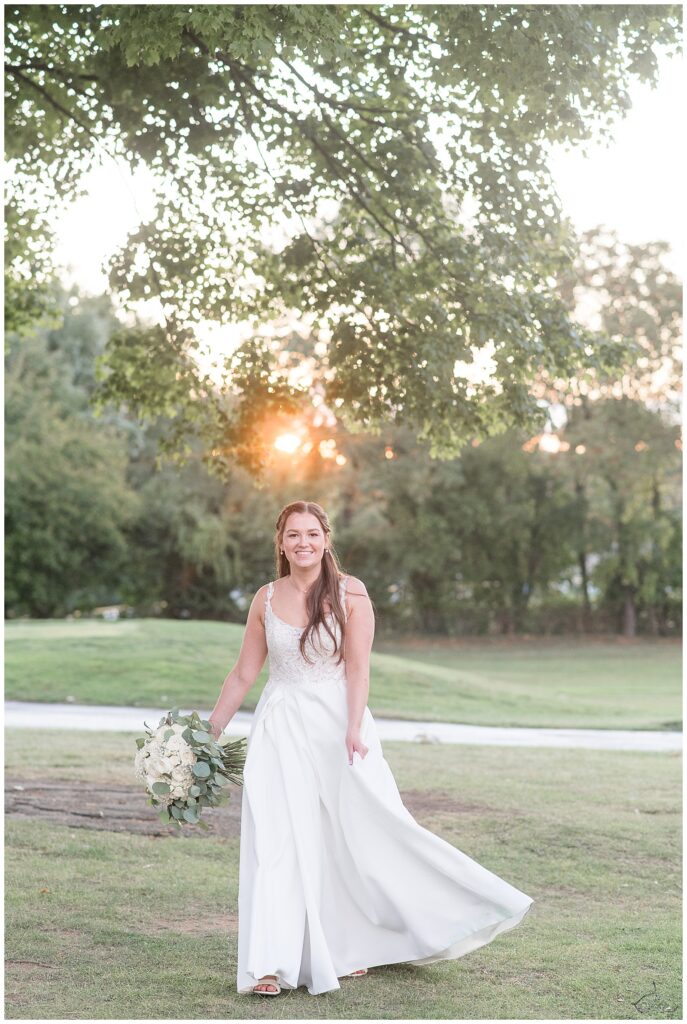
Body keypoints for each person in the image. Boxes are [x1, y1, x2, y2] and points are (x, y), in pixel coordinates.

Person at [209, 500, 533, 997]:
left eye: (312, 534)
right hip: (279, 728)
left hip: (339, 726)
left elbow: (359, 669)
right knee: (275, 839)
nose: (303, 543)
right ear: (280, 542)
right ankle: (269, 964)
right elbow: (244, 673)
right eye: (293, 535)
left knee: (357, 835)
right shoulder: (265, 598)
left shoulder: (350, 593)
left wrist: (355, 727)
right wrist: (207, 733)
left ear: (326, 539)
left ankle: (355, 944)